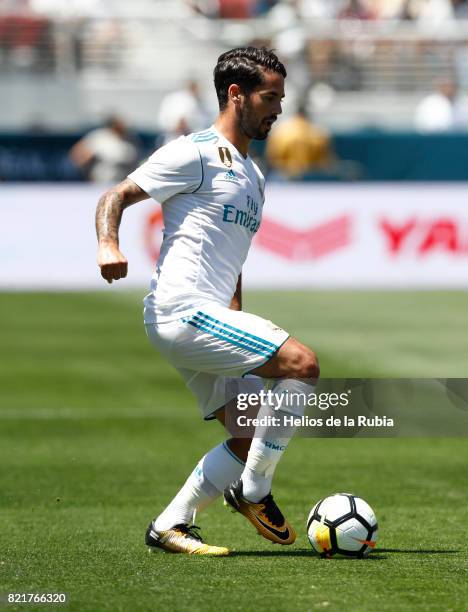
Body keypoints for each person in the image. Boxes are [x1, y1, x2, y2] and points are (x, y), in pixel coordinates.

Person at [95, 47, 319, 556]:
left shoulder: (254, 176)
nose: (278, 109)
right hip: (182, 310)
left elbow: (233, 258)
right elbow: (115, 196)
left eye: (282, 98)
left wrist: (235, 314)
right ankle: (254, 491)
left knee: (247, 436)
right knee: (301, 365)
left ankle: (171, 526)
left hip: (212, 317)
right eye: (269, 97)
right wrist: (109, 243)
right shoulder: (193, 151)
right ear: (235, 94)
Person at [70, 115, 140, 183]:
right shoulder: (100, 136)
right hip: (98, 182)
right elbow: (77, 152)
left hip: (120, 182)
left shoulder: (131, 139)